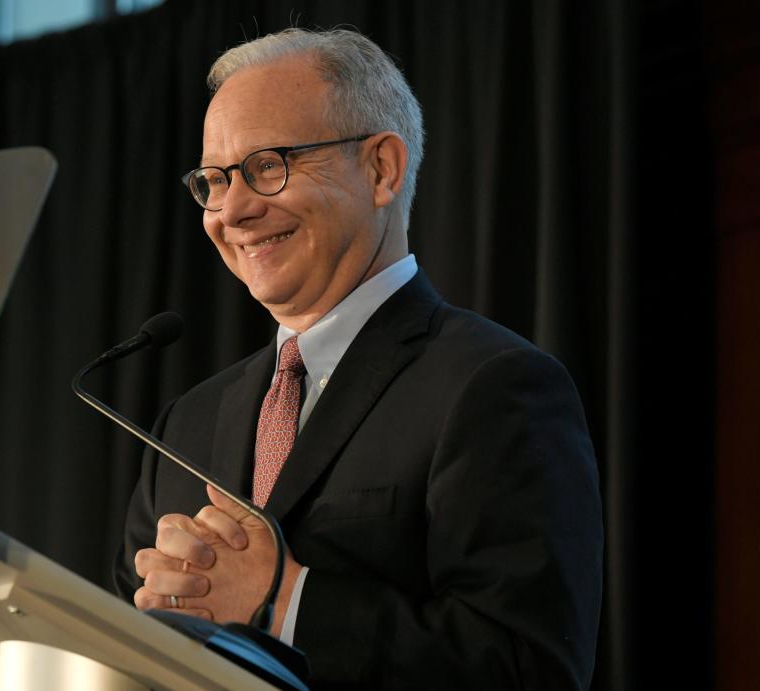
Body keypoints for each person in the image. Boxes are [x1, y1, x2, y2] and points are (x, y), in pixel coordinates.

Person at [114, 28, 603, 690]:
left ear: (381, 169)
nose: (232, 209)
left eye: (266, 166)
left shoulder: (494, 387)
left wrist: (282, 601)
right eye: (214, 179)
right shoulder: (186, 424)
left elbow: (529, 668)